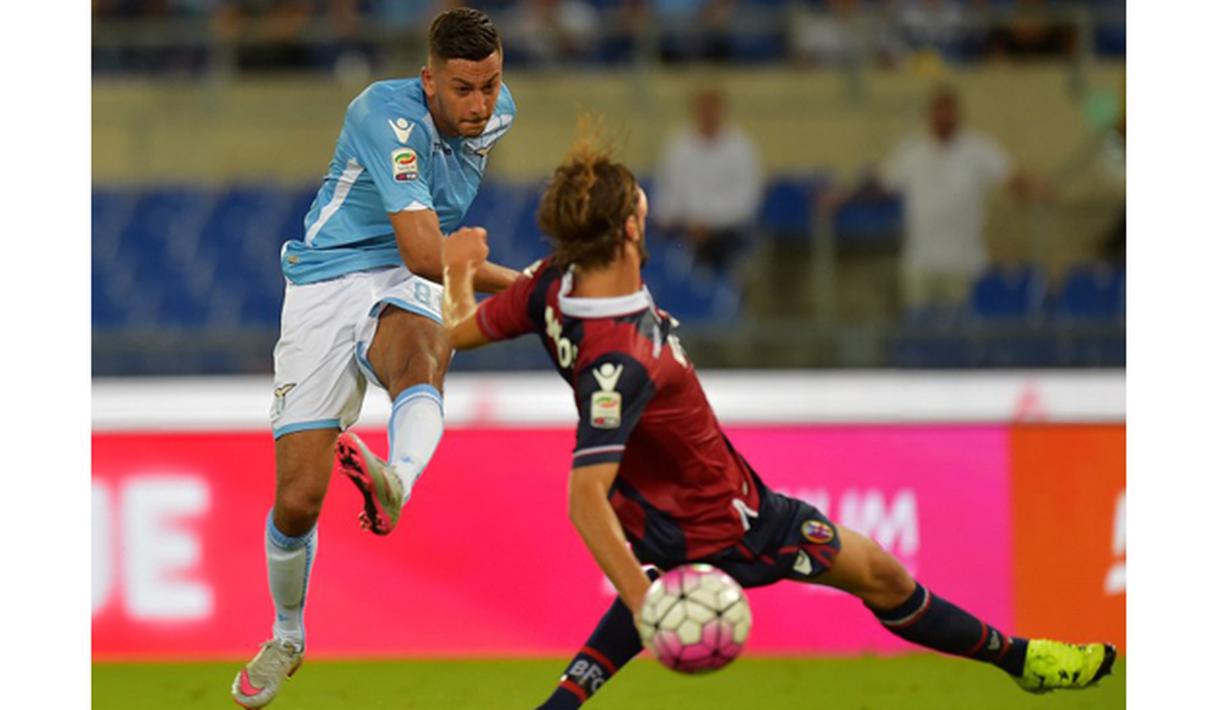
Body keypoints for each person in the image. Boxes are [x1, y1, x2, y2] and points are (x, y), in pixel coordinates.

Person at [439, 135, 1115, 708]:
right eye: (641, 200)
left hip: (667, 509)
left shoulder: (554, 284)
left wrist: (461, 272)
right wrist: (650, 604)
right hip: (731, 519)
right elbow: (583, 498)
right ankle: (1023, 662)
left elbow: (460, 330)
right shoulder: (621, 356)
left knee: (668, 582)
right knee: (879, 574)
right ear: (631, 228)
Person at [231, 8, 522, 709]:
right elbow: (429, 249)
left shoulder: (499, 111)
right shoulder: (383, 115)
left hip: (405, 279)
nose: (480, 105)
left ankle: (398, 478)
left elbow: (423, 266)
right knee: (298, 501)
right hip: (326, 281)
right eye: (462, 89)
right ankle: (288, 634)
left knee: (422, 355)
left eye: (489, 84)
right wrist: (534, 287)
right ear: (428, 81)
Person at [829, 85, 1041, 312]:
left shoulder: (979, 149)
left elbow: (1010, 177)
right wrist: (844, 197)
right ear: (929, 114)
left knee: (963, 334)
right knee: (920, 332)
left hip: (965, 264)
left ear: (957, 113)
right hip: (921, 263)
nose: (943, 117)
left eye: (948, 111)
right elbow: (880, 185)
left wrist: (1037, 188)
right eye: (938, 111)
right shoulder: (911, 151)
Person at [653, 86, 763, 275]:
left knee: (721, 250)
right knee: (665, 252)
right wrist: (674, 218)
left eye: (711, 108)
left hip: (727, 232)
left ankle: (719, 295)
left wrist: (709, 222)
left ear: (722, 110)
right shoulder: (678, 146)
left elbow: (747, 201)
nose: (707, 114)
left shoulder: (740, 147)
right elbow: (667, 193)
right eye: (702, 108)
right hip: (684, 232)